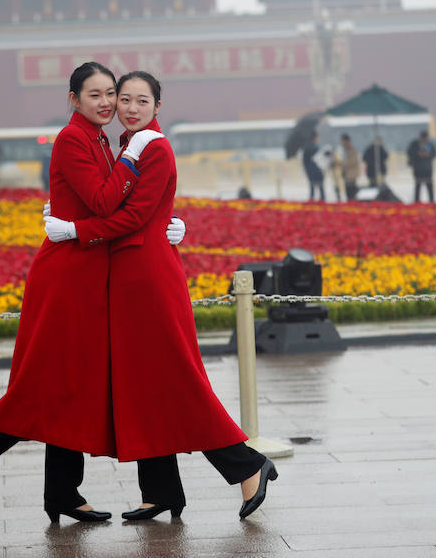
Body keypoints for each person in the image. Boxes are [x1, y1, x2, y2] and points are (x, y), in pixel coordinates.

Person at [0, 63, 182, 524]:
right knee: (48, 385)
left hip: (89, 273)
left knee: (70, 387)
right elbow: (105, 202)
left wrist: (166, 222)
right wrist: (130, 161)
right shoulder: (75, 140)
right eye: (95, 95)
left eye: (111, 93)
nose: (108, 103)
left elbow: (121, 201)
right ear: (74, 99)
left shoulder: (101, 140)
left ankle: (62, 493)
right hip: (69, 276)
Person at [44, 71, 278, 521]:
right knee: (147, 385)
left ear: (156, 107)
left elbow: (129, 216)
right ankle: (162, 491)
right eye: (123, 98)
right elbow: (114, 198)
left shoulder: (152, 147)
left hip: (148, 279)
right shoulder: (124, 146)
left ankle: (247, 465)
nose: (129, 108)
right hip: (132, 277)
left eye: (140, 100)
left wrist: (74, 230)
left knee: (177, 381)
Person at [406, 130, 436, 203]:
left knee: (429, 186)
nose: (424, 140)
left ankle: (431, 201)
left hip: (427, 169)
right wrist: (418, 154)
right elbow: (410, 152)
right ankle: (417, 201)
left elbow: (434, 153)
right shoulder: (415, 144)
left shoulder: (428, 145)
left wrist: (428, 155)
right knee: (418, 186)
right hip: (418, 169)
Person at [302, 131, 325, 201]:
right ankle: (322, 201)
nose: (318, 139)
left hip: (310, 171)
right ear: (314, 137)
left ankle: (311, 202)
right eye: (317, 137)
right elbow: (320, 160)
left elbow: (304, 161)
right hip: (317, 171)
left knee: (312, 188)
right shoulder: (315, 147)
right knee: (320, 187)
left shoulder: (306, 147)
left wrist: (307, 170)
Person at [338, 133, 360, 200]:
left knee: (352, 193)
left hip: (351, 175)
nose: (342, 143)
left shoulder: (353, 150)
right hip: (346, 175)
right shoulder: (343, 150)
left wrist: (341, 163)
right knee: (348, 193)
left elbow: (352, 162)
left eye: (343, 141)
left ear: (347, 141)